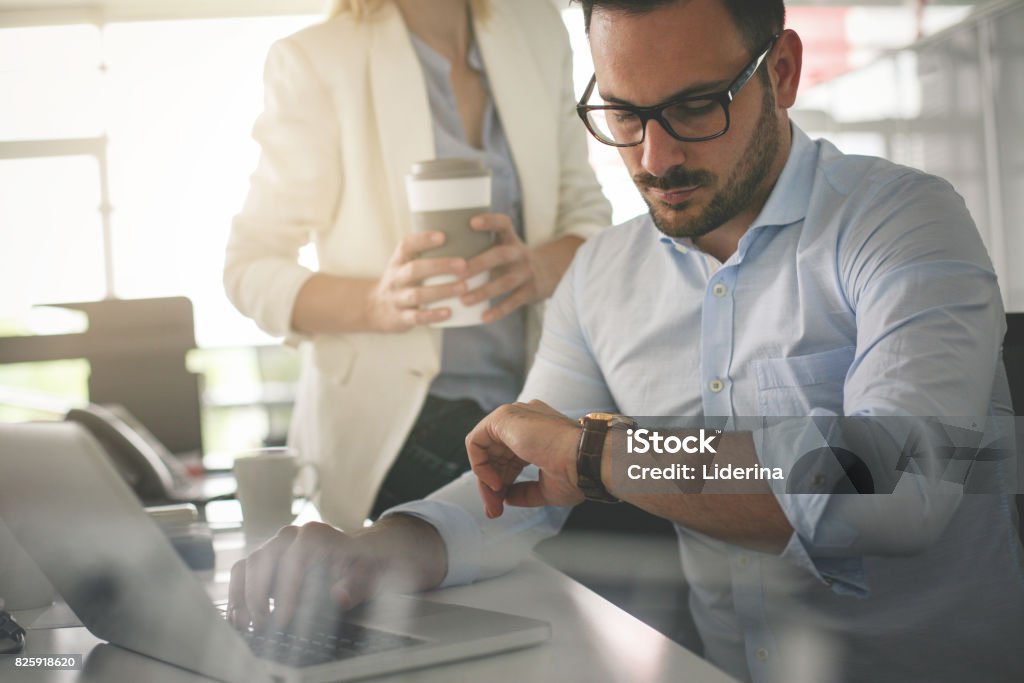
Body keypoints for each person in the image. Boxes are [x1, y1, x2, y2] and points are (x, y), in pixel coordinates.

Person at [227, 1, 1024, 681]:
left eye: (695, 107)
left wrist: (602, 456)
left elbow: (893, 483)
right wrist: (378, 550)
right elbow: (523, 482)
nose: (656, 156)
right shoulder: (603, 275)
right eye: (624, 113)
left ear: (780, 71)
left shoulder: (904, 222)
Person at [223, 0, 611, 530]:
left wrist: (539, 269)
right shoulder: (317, 60)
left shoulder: (537, 28)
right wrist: (378, 305)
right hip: (396, 428)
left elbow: (587, 216)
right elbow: (249, 268)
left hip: (531, 401)